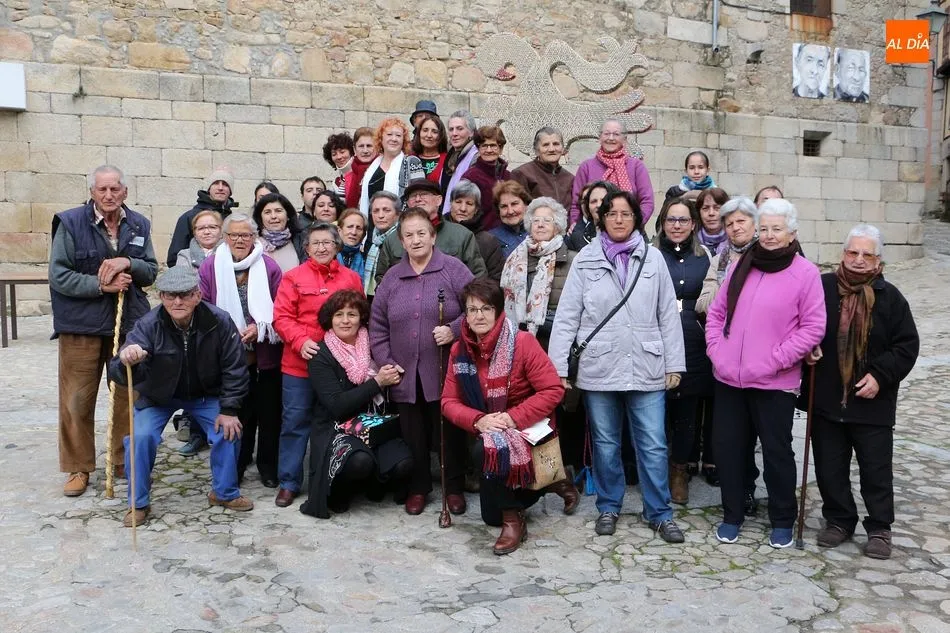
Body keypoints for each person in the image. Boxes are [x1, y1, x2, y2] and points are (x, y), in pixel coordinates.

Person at [548, 190, 686, 543]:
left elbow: (668, 315)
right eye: (612, 214)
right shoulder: (585, 260)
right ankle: (609, 505)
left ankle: (659, 512)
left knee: (653, 443)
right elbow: (567, 317)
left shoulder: (653, 259)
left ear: (636, 218)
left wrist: (675, 363)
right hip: (600, 365)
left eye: (626, 213)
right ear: (602, 219)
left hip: (647, 362)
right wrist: (559, 368)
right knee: (607, 443)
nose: (620, 219)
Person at [705, 198, 825, 548]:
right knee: (728, 449)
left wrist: (774, 360)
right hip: (729, 378)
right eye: (765, 229)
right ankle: (732, 514)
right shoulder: (743, 265)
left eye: (777, 229)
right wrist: (718, 353)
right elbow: (716, 314)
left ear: (792, 234)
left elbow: (812, 328)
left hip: (775, 381)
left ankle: (783, 519)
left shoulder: (806, 273)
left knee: (776, 452)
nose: (769, 236)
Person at [804, 225, 919, 559]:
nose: (857, 260)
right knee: (829, 466)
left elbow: (906, 346)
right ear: (843, 254)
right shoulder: (821, 287)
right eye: (852, 252)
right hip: (827, 396)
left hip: (872, 402)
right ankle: (839, 520)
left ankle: (880, 527)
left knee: (875, 468)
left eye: (866, 254)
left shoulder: (891, 297)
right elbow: (802, 324)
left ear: (878, 261)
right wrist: (807, 348)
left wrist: (880, 376)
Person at [108, 265, 252, 526]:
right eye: (170, 295)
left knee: (228, 430)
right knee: (139, 438)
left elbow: (235, 367)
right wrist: (129, 360)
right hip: (158, 397)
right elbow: (118, 371)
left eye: (185, 294)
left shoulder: (219, 321)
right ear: (161, 297)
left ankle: (224, 492)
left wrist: (229, 409)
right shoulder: (148, 325)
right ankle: (137, 503)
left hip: (205, 394)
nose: (177, 301)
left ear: (197, 295)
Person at [442, 279, 576, 555]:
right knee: (489, 516)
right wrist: (477, 419)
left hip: (527, 428)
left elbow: (552, 390)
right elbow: (448, 401)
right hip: (488, 426)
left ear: (499, 311)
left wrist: (512, 418)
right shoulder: (460, 351)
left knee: (485, 448)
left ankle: (514, 519)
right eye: (472, 309)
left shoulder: (523, 343)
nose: (478, 316)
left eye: (486, 309)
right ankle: (549, 481)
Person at [49, 164, 159, 497]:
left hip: (129, 325)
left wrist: (129, 264)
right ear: (92, 192)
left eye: (115, 189)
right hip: (80, 326)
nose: (108, 195)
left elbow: (151, 270)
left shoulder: (139, 223)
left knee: (128, 395)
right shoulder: (70, 223)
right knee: (76, 400)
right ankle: (78, 467)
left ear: (125, 191)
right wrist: (101, 286)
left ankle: (123, 460)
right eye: (102, 190)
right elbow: (59, 276)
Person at [370, 208, 474, 515]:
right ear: (401, 241)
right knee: (412, 433)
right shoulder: (392, 277)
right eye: (408, 235)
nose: (415, 240)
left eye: (421, 233)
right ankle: (418, 487)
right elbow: (377, 325)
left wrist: (454, 330)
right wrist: (386, 362)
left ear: (432, 236)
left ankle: (453, 487)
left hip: (444, 370)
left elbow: (479, 308)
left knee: (448, 432)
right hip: (404, 373)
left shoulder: (453, 269)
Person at [273, 223, 364, 507]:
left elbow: (360, 318)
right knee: (294, 422)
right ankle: (288, 482)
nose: (322, 247)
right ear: (307, 248)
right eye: (316, 243)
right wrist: (300, 341)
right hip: (299, 364)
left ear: (337, 246)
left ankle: (332, 476)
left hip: (339, 368)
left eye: (328, 242)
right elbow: (282, 318)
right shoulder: (293, 278)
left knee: (337, 422)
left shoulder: (351, 278)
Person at [300, 290, 413, 519]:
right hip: (338, 427)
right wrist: (377, 382)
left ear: (361, 317)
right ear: (329, 319)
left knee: (404, 462)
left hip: (375, 422)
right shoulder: (320, 355)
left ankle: (375, 486)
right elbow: (336, 405)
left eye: (352, 314)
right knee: (359, 462)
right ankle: (341, 492)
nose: (345, 320)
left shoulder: (374, 344)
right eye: (339, 315)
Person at [198, 212, 283, 486]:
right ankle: (236, 464)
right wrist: (227, 329)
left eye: (245, 235)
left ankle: (268, 467)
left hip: (266, 351)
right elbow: (204, 307)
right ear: (225, 237)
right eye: (233, 235)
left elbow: (280, 307)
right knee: (237, 411)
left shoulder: (269, 267)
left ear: (254, 237)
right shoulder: (211, 266)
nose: (239, 240)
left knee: (269, 412)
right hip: (229, 355)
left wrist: (261, 327)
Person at [696, 196, 761, 496]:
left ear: (754, 223)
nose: (735, 228)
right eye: (730, 223)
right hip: (727, 353)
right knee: (733, 433)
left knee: (762, 432)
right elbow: (704, 305)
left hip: (762, 356)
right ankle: (739, 492)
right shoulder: (721, 258)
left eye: (741, 221)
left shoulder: (769, 255)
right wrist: (730, 279)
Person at [652, 198, 713, 505]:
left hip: (693, 340)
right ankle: (656, 469)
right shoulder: (650, 255)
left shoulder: (705, 257)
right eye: (671, 220)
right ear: (663, 223)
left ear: (693, 224)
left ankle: (679, 471)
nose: (677, 226)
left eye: (683, 220)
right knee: (654, 409)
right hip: (656, 337)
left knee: (686, 411)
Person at [174, 209, 224, 454]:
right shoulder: (184, 255)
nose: (207, 231)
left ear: (220, 230)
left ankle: (217, 430)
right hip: (194, 322)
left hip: (221, 320)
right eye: (201, 228)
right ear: (194, 232)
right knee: (194, 375)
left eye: (212, 227)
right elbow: (185, 283)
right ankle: (195, 433)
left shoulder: (227, 252)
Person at [374, 179, 487, 283]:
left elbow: (478, 277)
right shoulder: (394, 239)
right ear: (408, 203)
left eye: (424, 194)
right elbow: (382, 278)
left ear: (439, 200)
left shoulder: (462, 235)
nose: (418, 199)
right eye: (413, 196)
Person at [500, 197, 576, 352]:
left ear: (557, 227)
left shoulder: (573, 260)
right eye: (536, 221)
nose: (540, 225)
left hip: (557, 343)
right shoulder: (516, 258)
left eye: (547, 221)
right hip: (519, 341)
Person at [570, 119, 654, 227]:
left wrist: (635, 224)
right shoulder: (586, 167)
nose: (611, 138)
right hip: (592, 231)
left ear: (625, 139)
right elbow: (576, 203)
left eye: (616, 134)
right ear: (599, 137)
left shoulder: (636, 166)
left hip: (630, 229)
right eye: (606, 133)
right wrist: (575, 225)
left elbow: (647, 201)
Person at [166, 167, 238, 267]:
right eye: (216, 183)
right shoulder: (188, 217)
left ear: (230, 191)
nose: (220, 187)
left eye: (225, 184)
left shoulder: (233, 220)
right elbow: (174, 258)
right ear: (209, 188)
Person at [358, 117, 425, 218]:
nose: (394, 139)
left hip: (401, 226)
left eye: (398, 135)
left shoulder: (412, 162)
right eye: (389, 134)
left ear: (403, 140)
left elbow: (420, 198)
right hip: (373, 226)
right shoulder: (372, 168)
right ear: (381, 138)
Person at [447, 180, 505, 281]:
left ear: (476, 209)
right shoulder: (435, 233)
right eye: (458, 202)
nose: (463, 208)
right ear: (450, 204)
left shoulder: (488, 241)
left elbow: (496, 279)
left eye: (469, 204)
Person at [511, 126, 575, 212]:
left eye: (556, 144)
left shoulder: (569, 178)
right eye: (545, 145)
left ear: (563, 148)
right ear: (536, 150)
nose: (552, 149)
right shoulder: (522, 174)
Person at [460, 125, 511, 230]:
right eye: (484, 146)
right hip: (482, 236)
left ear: (500, 149)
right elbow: (462, 210)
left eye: (493, 145)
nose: (488, 150)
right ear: (478, 149)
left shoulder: (508, 176)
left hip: (507, 234)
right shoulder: (470, 177)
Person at [440, 110, 479, 214]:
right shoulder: (451, 156)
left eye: (459, 129)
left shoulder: (476, 156)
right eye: (451, 129)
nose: (454, 134)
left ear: (471, 132)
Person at [362, 191, 401, 298]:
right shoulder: (372, 240)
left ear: (398, 214)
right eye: (375, 211)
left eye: (386, 210)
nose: (380, 215)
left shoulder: (404, 239)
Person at [253, 193, 304, 271]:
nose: (273, 216)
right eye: (267, 212)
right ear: (260, 218)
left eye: (278, 211)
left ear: (288, 216)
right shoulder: (254, 244)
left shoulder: (300, 241)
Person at [566, 181, 617, 252]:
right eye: (593, 201)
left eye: (603, 200)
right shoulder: (577, 236)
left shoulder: (627, 235)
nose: (598, 205)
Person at [488, 180, 530, 259]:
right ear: (498, 210)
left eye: (514, 204)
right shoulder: (491, 239)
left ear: (525, 205)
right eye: (504, 206)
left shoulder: (540, 231)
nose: (510, 211)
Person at [345, 127, 378, 209]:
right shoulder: (347, 178)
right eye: (361, 146)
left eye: (369, 146)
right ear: (354, 149)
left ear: (377, 147)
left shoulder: (384, 170)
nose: (365, 150)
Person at [412, 113, 448, 184]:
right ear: (419, 133)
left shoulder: (448, 161)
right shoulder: (410, 159)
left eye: (434, 132)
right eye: (425, 130)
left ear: (441, 135)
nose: (429, 135)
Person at [695, 188, 731, 257]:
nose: (711, 213)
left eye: (717, 208)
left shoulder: (736, 239)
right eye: (705, 208)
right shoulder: (691, 242)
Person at [337, 208, 367, 278]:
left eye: (358, 228)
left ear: (363, 235)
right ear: (339, 230)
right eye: (350, 227)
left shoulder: (366, 258)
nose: (353, 232)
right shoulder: (328, 256)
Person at [322, 132, 355, 197]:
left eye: (342, 152)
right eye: (334, 154)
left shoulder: (362, 176)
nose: (339, 157)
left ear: (351, 152)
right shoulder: (335, 184)